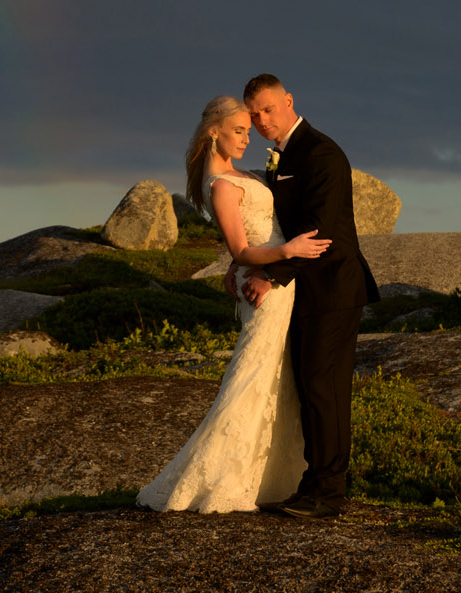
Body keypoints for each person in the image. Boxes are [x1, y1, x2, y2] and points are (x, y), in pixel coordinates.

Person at [136, 94, 331, 513]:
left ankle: (273, 478)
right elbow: (244, 249)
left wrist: (241, 265)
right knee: (253, 375)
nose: (247, 137)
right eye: (239, 131)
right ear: (214, 132)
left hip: (276, 282)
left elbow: (242, 244)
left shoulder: (236, 173)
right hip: (269, 285)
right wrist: (288, 251)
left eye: (248, 130)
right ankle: (225, 476)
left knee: (276, 377)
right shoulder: (221, 184)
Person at [239, 73, 380, 518]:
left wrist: (270, 276)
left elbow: (317, 235)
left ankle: (329, 492)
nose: (261, 120)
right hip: (307, 290)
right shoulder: (283, 155)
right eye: (254, 113)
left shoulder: (322, 153)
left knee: (325, 390)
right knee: (309, 388)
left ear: (289, 101)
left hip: (334, 287)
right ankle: (313, 482)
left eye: (267, 108)